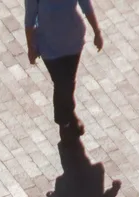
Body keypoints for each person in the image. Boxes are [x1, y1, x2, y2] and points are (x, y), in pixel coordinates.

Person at [24, 0, 102, 142]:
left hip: (73, 43)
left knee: (69, 82)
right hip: (49, 46)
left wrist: (97, 32)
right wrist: (31, 47)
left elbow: (86, 5)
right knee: (62, 84)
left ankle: (69, 113)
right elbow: (29, 19)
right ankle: (64, 123)